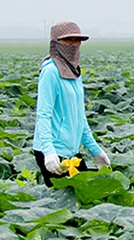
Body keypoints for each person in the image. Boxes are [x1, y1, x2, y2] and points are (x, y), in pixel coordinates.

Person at [32, 21, 110, 187]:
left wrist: (96, 151)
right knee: (63, 202)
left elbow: (79, 118)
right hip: (52, 151)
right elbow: (43, 114)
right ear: (56, 43)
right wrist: (49, 151)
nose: (73, 45)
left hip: (71, 151)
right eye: (68, 40)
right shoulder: (50, 71)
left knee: (88, 193)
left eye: (77, 40)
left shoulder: (75, 72)